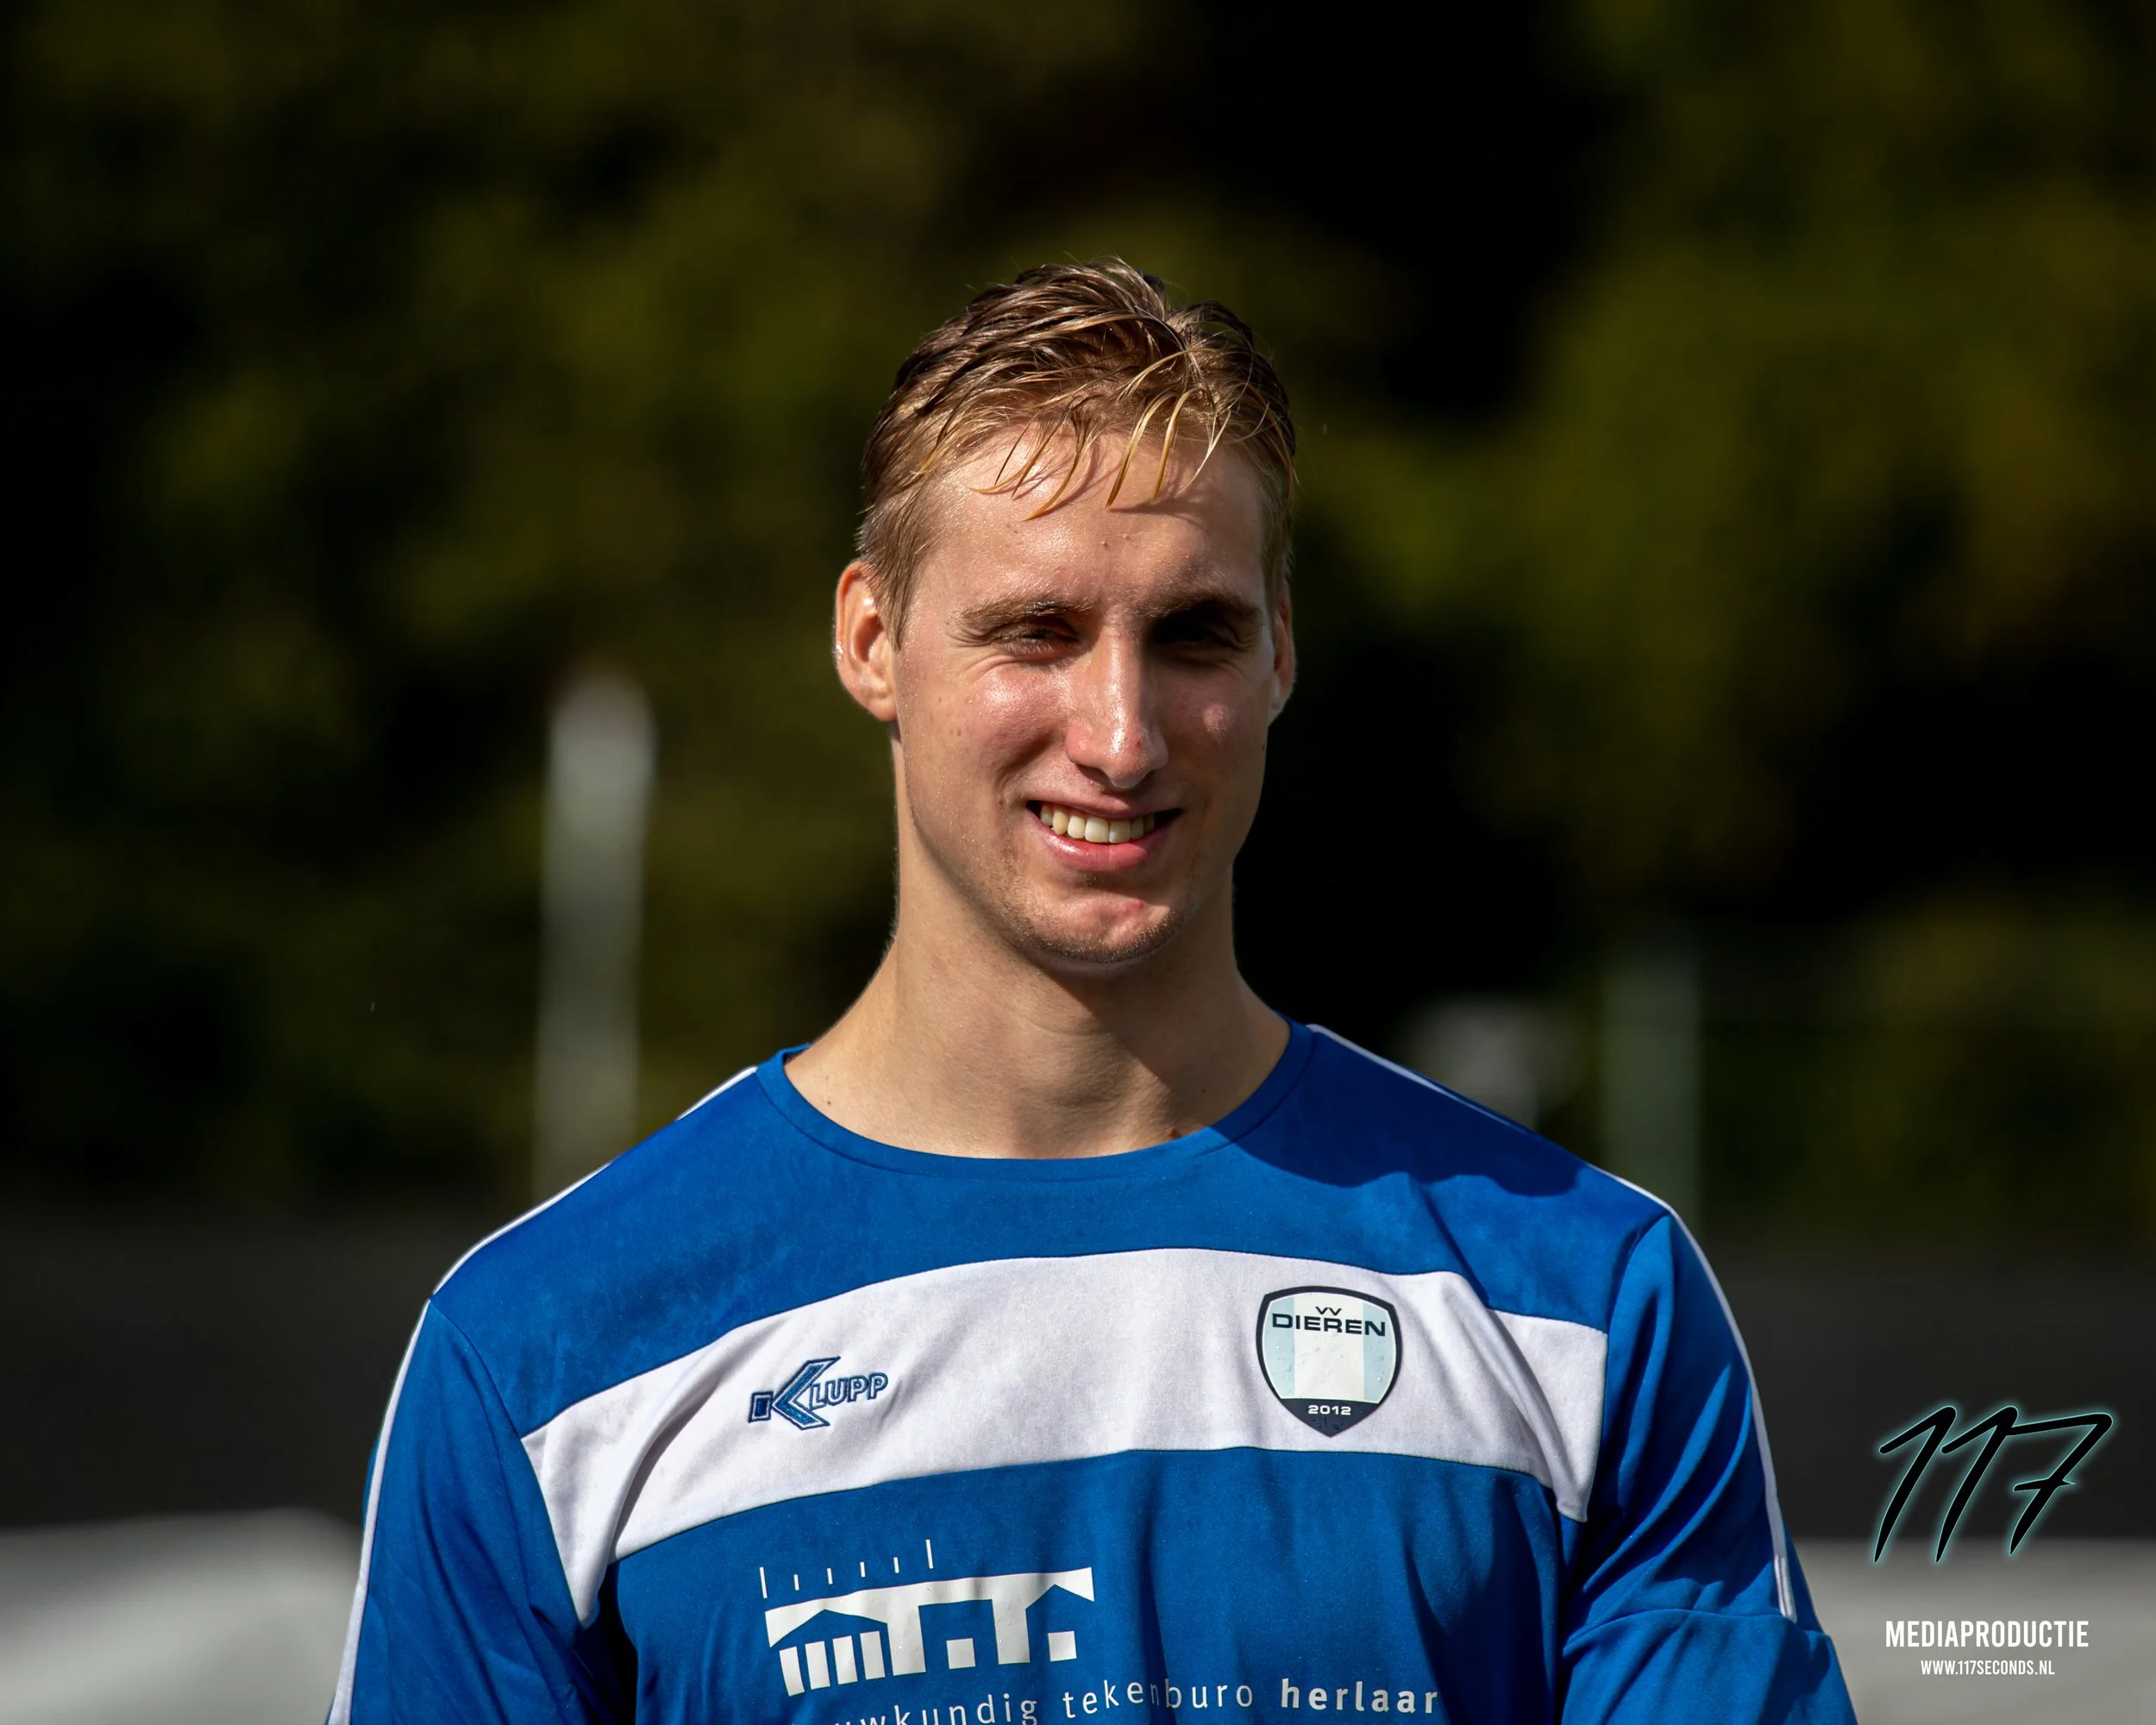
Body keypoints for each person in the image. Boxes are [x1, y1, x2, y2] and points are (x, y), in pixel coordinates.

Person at [328, 260, 1856, 1724]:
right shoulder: (547, 1357)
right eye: (1037, 633)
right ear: (873, 641)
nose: (1121, 737)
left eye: (1193, 635)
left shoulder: (1582, 1304)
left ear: (1279, 657)